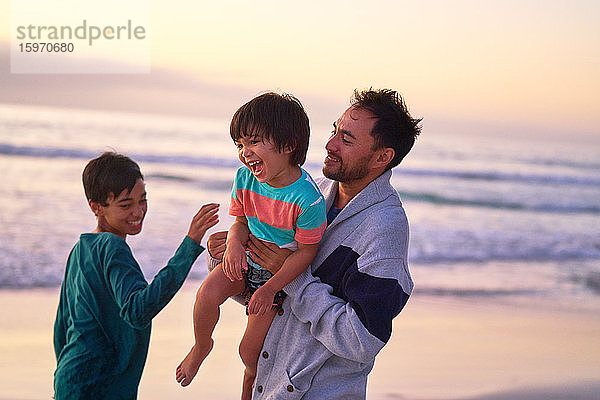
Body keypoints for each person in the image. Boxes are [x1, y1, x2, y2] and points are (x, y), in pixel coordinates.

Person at [206, 88, 421, 399]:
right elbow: (267, 294)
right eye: (335, 131)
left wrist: (295, 278)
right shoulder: (310, 193)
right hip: (269, 386)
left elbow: (362, 341)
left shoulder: (384, 230)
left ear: (382, 157)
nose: (330, 144)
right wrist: (232, 253)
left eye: (346, 140)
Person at [175, 93, 327, 399]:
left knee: (249, 351)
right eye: (240, 145)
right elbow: (241, 223)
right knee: (206, 295)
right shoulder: (245, 178)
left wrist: (270, 289)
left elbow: (307, 253)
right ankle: (202, 345)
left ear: (288, 145)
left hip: (277, 281)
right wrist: (232, 245)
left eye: (254, 142)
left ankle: (251, 378)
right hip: (245, 262)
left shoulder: (308, 199)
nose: (245, 153)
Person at [53, 152, 219, 400]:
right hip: (101, 385)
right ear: (96, 207)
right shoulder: (113, 247)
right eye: (125, 205)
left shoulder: (81, 248)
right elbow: (138, 310)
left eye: (143, 200)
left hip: (71, 380)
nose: (138, 211)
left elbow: (62, 327)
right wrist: (190, 244)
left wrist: (64, 380)